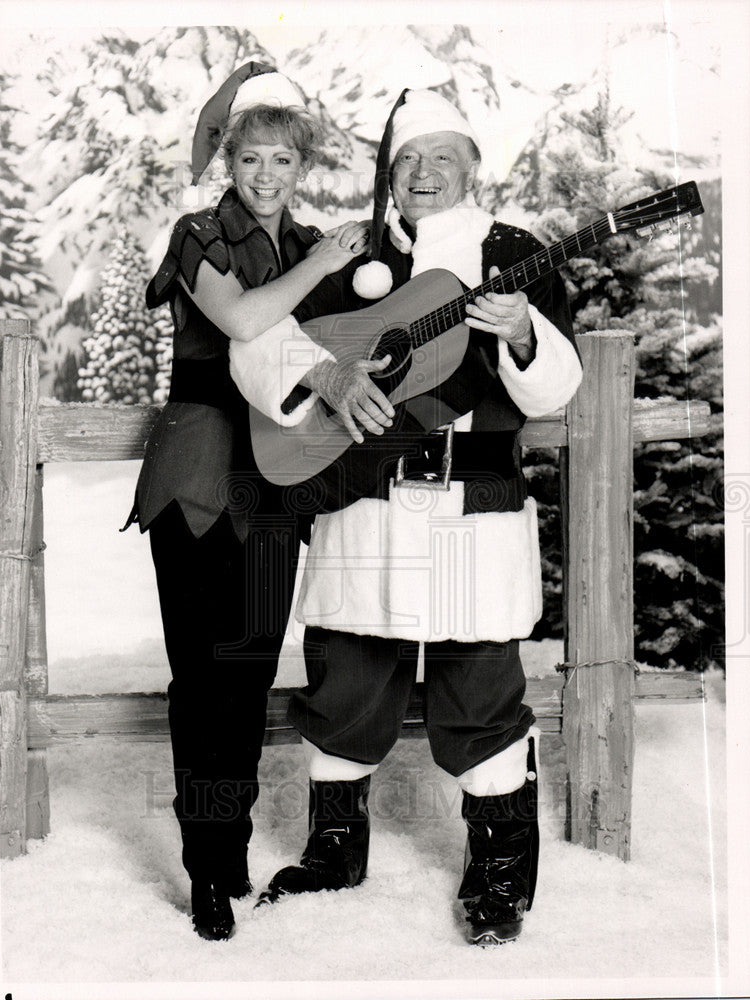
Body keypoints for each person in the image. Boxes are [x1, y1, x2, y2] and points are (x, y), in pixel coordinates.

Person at [230, 87, 583, 945]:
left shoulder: (514, 256)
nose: (424, 175)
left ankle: (500, 871)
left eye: (443, 159)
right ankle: (334, 847)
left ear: (473, 167)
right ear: (390, 174)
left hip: (471, 511)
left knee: (478, 689)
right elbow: (257, 344)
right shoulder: (343, 254)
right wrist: (329, 378)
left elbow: (558, 383)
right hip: (365, 504)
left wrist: (523, 334)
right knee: (346, 678)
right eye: (408, 161)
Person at [124, 61, 391, 942]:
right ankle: (206, 865)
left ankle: (228, 841)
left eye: (283, 158)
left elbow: (358, 321)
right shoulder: (198, 231)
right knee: (202, 677)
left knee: (246, 676)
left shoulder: (317, 240)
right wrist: (322, 259)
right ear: (229, 165)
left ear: (300, 164)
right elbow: (241, 323)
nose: (267, 175)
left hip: (275, 476)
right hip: (200, 472)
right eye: (252, 159)